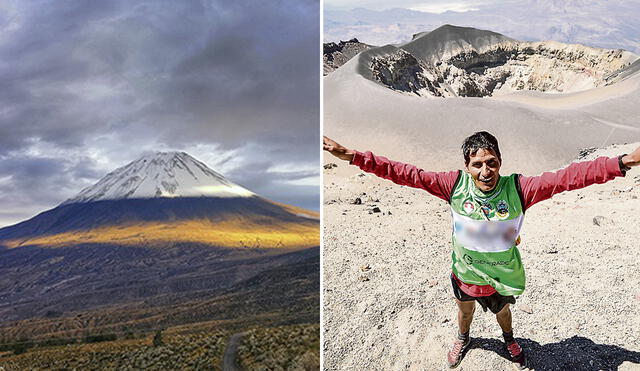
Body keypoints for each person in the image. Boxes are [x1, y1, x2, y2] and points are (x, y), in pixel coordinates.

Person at [323, 131, 640, 369]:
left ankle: (509, 339)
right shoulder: (454, 186)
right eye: (477, 164)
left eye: (492, 163)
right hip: (465, 272)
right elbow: (406, 174)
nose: (485, 171)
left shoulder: (519, 189)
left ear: (500, 162)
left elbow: (570, 178)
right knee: (464, 311)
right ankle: (463, 338)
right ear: (466, 165)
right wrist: (353, 156)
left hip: (500, 277)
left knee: (503, 312)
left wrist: (623, 162)